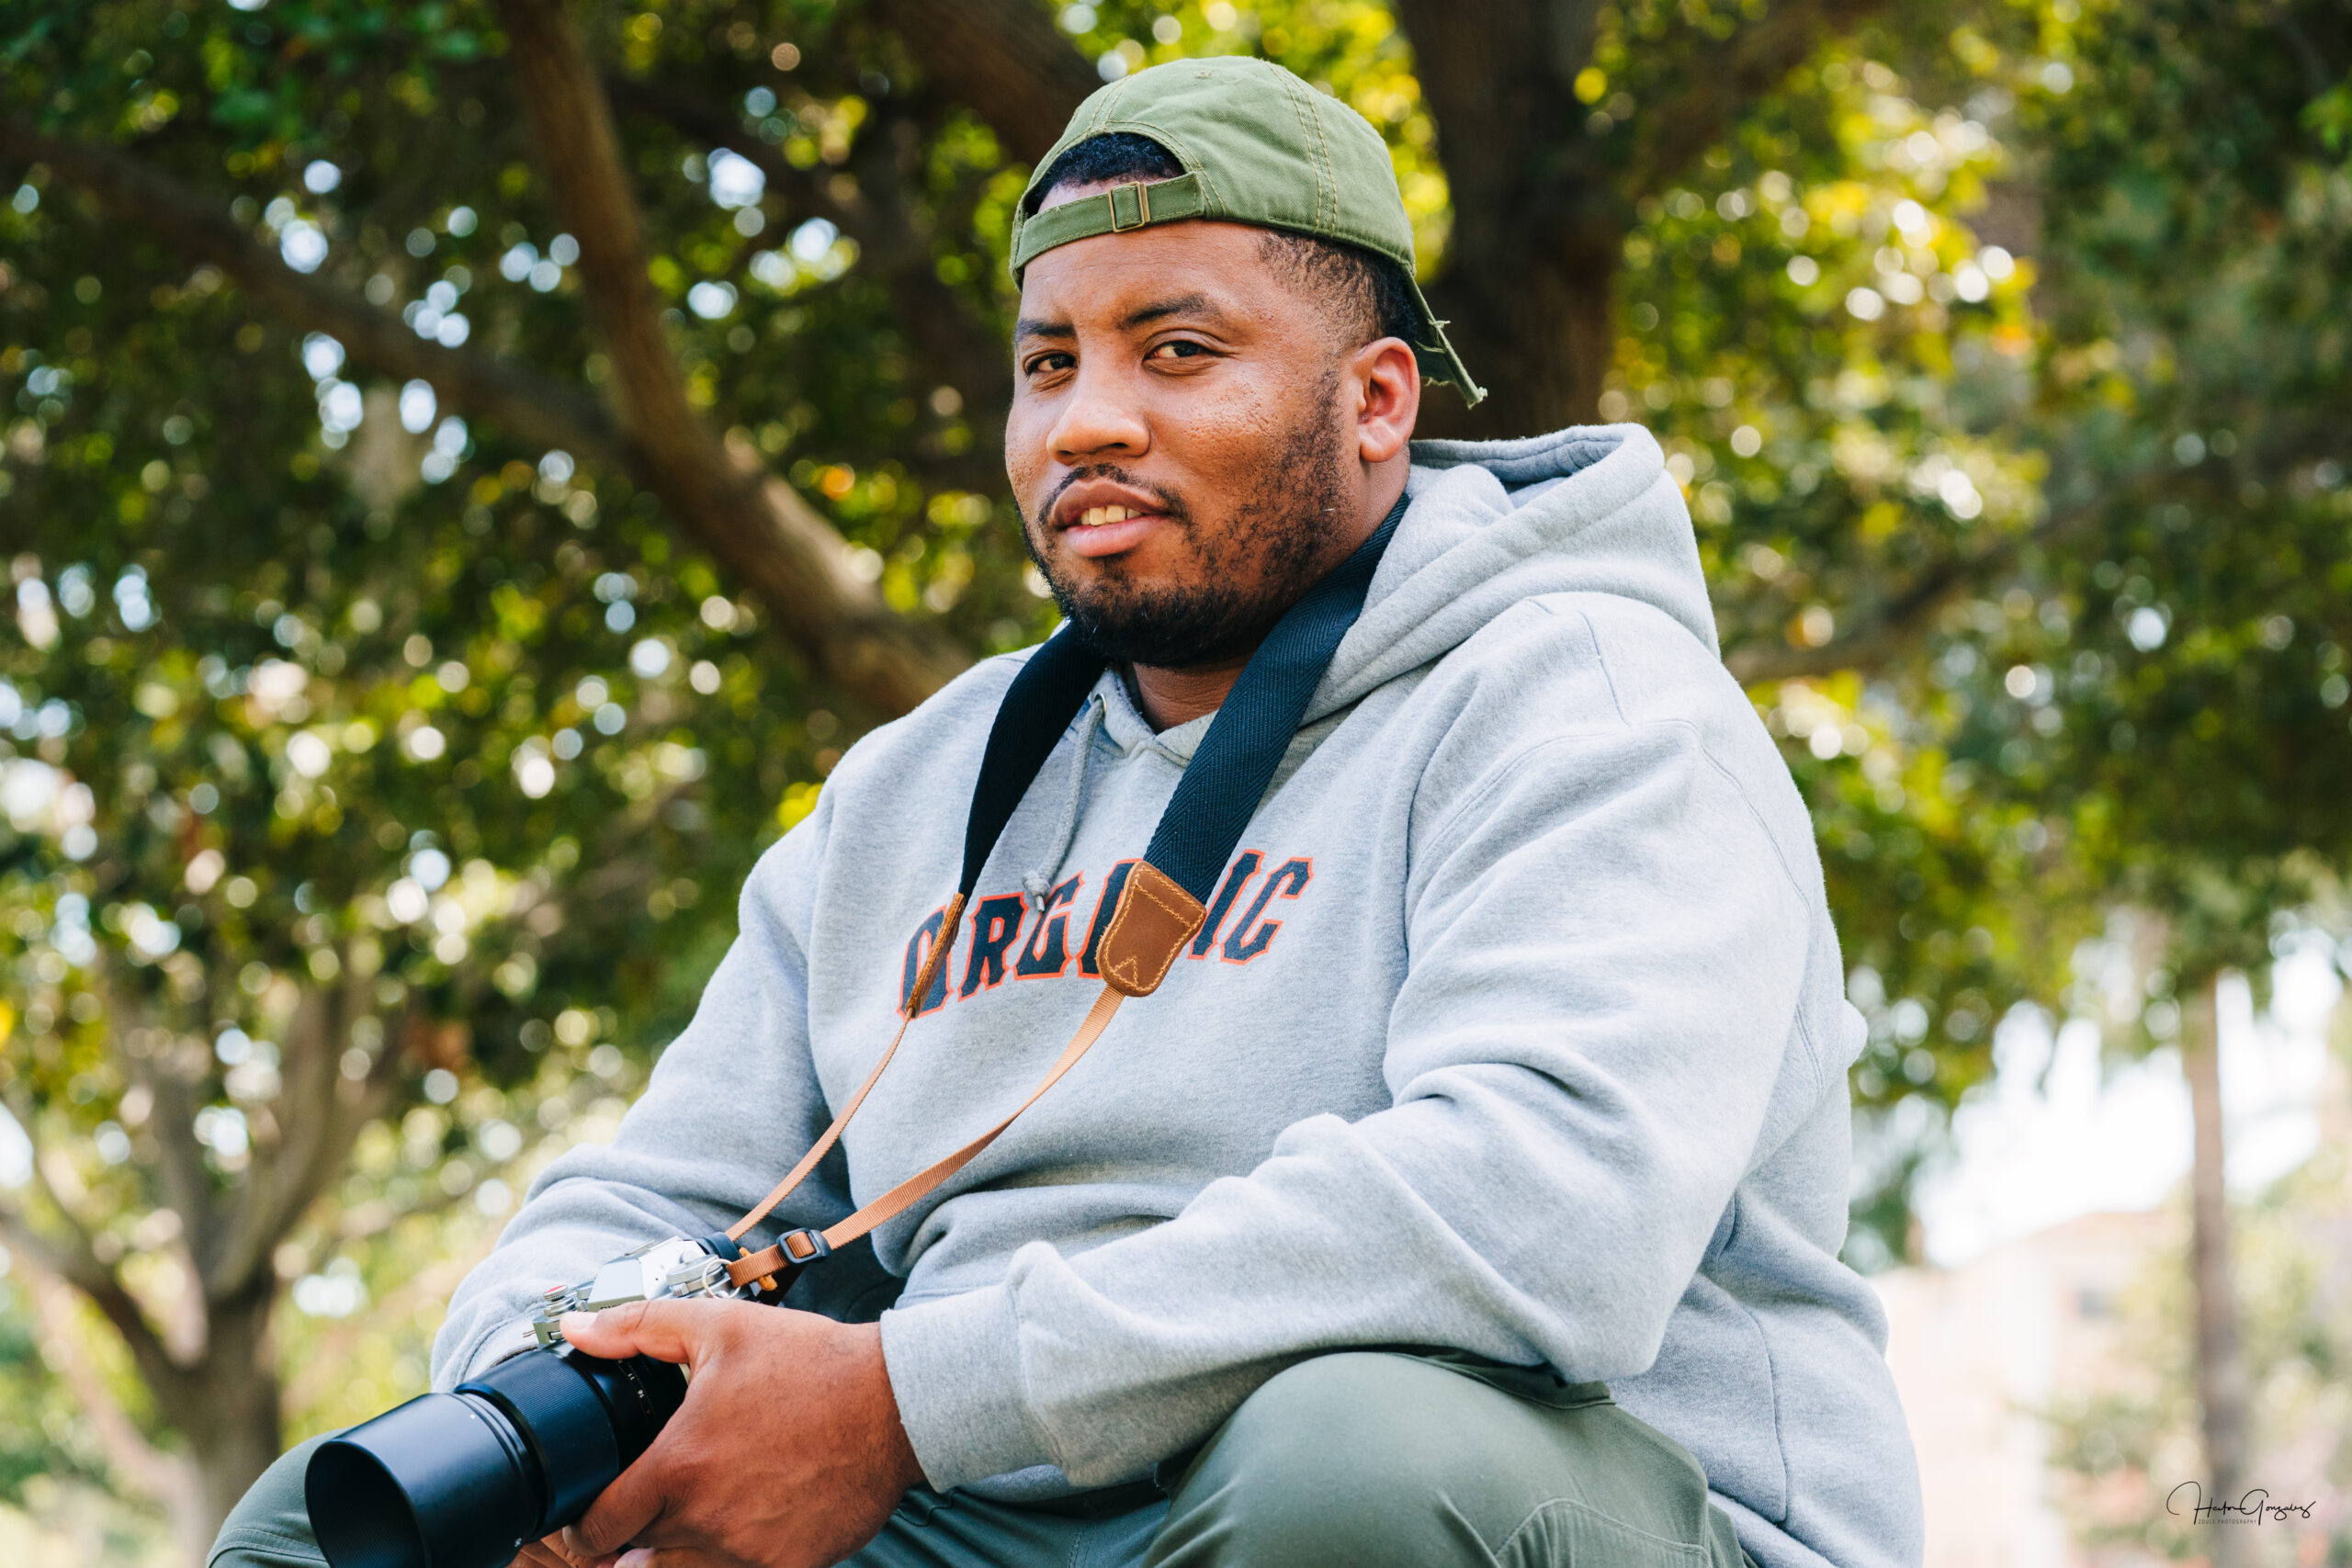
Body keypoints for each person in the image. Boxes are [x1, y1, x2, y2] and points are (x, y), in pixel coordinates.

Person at [216, 54, 1921, 1568]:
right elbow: (652, 1193)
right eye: (1050, 362)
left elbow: (1549, 1209)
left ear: (1377, 402)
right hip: (1000, 1500)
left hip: (1536, 1489)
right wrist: (557, 1431)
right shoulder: (914, 786)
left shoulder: (1586, 699)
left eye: (1179, 350)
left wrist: (899, 1401)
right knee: (334, 1522)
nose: (1087, 421)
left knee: (1346, 1467)